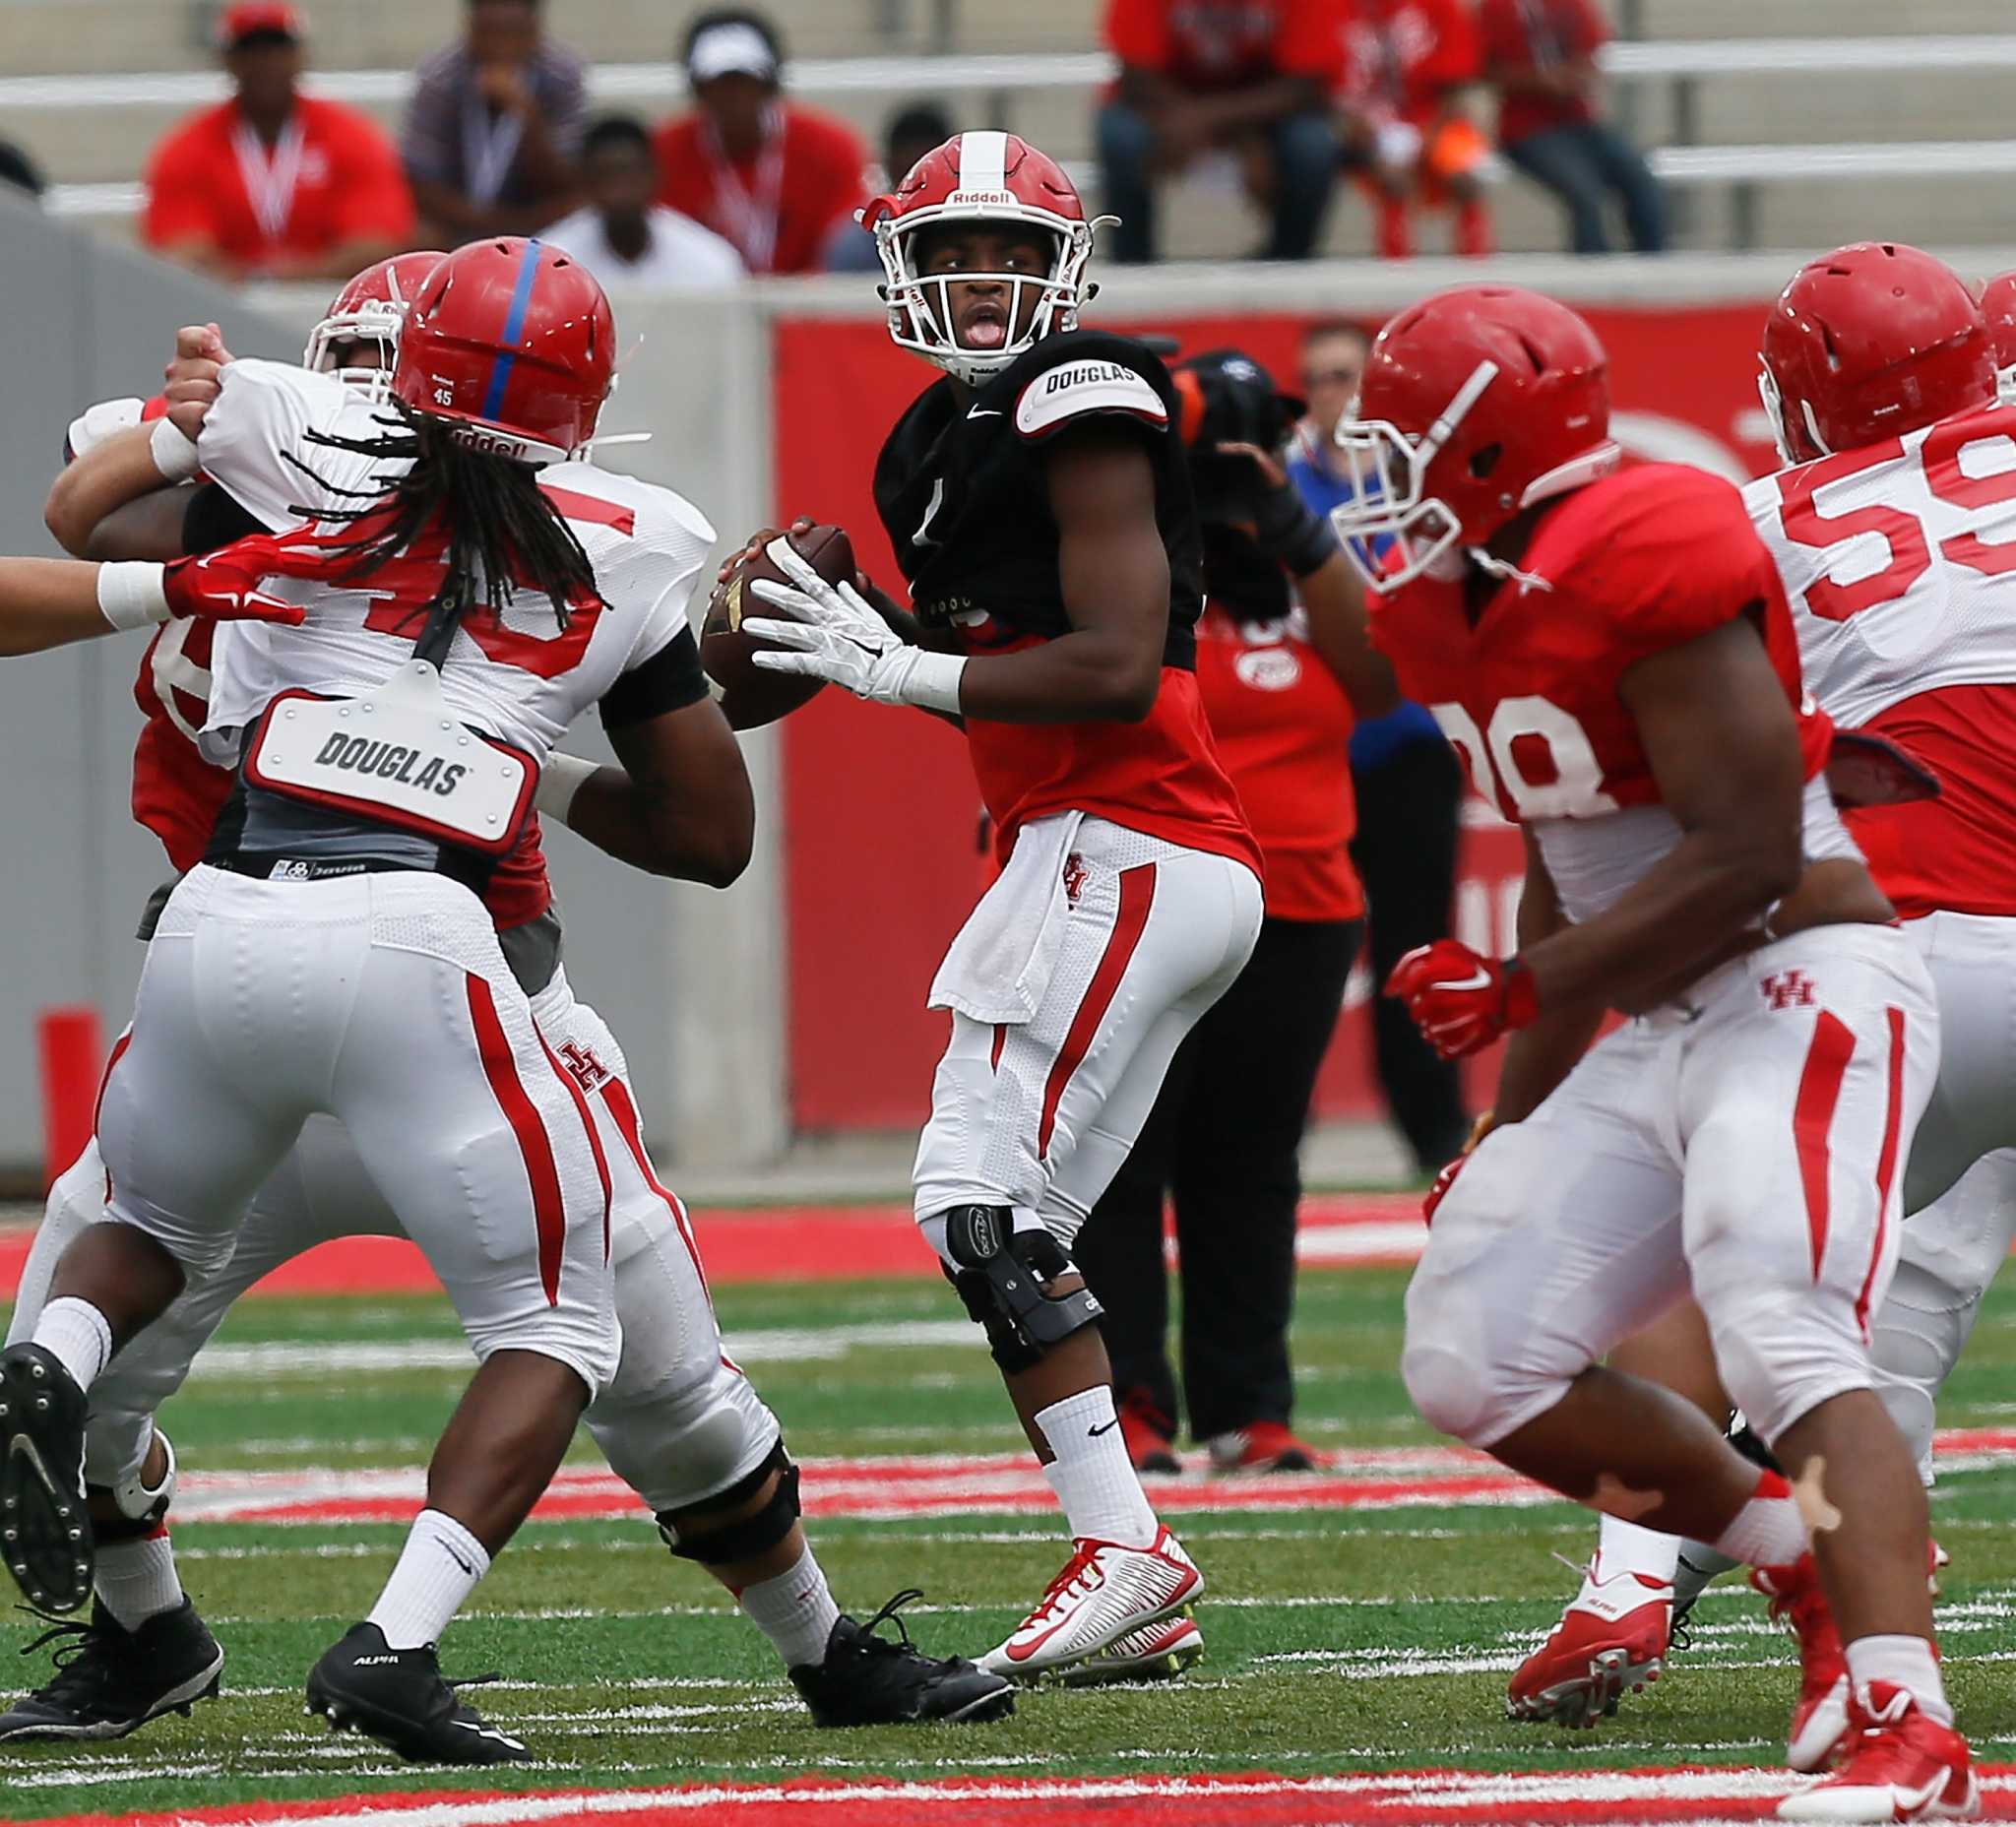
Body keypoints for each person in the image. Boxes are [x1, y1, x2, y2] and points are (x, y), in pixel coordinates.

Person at [2, 256, 1009, 1750]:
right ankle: (200, 1639)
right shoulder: (575, 525)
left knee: (94, 1323)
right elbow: (691, 802)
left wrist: (181, 439)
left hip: (239, 960)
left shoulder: (271, 460)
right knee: (601, 1348)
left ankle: (819, 1655)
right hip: (446, 977)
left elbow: (87, 516)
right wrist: (636, 689)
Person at [1335, 284, 1974, 1822]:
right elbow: (1570, 855)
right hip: (1672, 1012)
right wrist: (1510, 1109)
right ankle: (1794, 1568)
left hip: (1806, 980)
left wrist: (1523, 980)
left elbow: (1754, 847)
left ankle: (1915, 1728)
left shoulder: (1643, 544)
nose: (1381, 484)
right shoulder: (1450, 599)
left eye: (1406, 449)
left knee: (1782, 1320)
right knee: (1473, 1347)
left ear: (1490, 449)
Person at [731, 131, 1264, 1683]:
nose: (981, 281)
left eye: (1012, 255)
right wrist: (865, 636)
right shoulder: (926, 443)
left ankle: (1129, 1549)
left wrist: (889, 664)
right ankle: (1126, 1559)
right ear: (902, 263)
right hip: (1100, 844)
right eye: (953, 251)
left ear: (1066, 267)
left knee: (976, 1204)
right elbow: (1009, 688)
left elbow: (1111, 665)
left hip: (1132, 839)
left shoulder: (1085, 388)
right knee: (1008, 1225)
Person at [1506, 248, 2016, 1799]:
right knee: (1914, 1273)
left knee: (1692, 1241)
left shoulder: (1757, 525)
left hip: (1921, 950)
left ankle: (1632, 1583)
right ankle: (1847, 1631)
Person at [1074, 347, 1395, 1498]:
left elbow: (1381, 681)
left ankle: (1249, 1406)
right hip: (1144, 895)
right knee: (1119, 1161)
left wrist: (1291, 528)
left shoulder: (1299, 570)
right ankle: (1127, 1400)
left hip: (1300, 898)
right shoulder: (1116, 551)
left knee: (1251, 1161)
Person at [1287, 319, 1472, 1173]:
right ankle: (1274, 1124)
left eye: (1349, 376)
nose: (1337, 395)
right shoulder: (1280, 493)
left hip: (1405, 753)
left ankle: (1433, 1131)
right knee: (1290, 952)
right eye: (1321, 379)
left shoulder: (1419, 495)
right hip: (1309, 753)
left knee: (1414, 949)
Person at [141, 2, 412, 283]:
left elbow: (379, 243)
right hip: (224, 306)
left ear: (301, 55)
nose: (264, 62)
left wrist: (291, 277)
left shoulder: (352, 137)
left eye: (277, 47)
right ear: (227, 60)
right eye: (249, 50)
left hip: (330, 303)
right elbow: (178, 251)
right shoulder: (188, 148)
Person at [1098, 0, 1345, 264]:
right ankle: (1133, 267)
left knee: (1313, 143)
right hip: (1171, 104)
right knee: (1121, 134)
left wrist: (1219, 124)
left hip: (1263, 113)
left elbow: (1306, 85)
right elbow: (1136, 74)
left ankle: (1288, 267)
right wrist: (1219, 126)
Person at [654, 10, 868, 277]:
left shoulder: (830, 146)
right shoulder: (664, 153)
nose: (733, 96)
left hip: (808, 304)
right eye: (719, 83)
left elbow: (842, 248)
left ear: (770, 83)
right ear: (697, 89)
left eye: (745, 81)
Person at [1480, 0, 1666, 256]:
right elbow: (1485, 69)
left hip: (1579, 121)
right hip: (1526, 129)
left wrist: (1573, 76)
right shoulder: (1496, 8)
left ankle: (1652, 265)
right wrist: (1541, 81)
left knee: (1641, 180)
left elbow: (1591, 52)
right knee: (1586, 196)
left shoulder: (1568, 3)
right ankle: (1595, 277)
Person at [400, 0, 585, 246]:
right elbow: (422, 183)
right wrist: (498, 224)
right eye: (490, 32)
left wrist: (526, 114)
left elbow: (565, 179)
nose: (501, 45)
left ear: (535, 30)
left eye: (513, 31)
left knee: (580, 208)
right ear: (470, 29)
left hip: (537, 216)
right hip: (457, 219)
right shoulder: (440, 76)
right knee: (417, 234)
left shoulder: (562, 74)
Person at [1341, 0, 1493, 261]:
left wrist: (1430, 135)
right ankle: (1395, 270)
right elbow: (1332, 89)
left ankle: (1477, 271)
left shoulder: (1439, 6)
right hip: (1372, 124)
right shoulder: (1338, 8)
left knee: (1467, 172)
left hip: (1436, 119)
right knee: (1394, 177)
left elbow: (1457, 83)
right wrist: (1354, 125)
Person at [542, 115, 746, 290]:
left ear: (655, 175)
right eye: (606, 174)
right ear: (585, 181)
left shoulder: (710, 261)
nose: (620, 189)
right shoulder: (550, 264)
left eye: (630, 173)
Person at [825, 101, 955, 274]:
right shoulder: (855, 242)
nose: (915, 188)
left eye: (924, 176)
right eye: (907, 173)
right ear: (888, 163)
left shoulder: (973, 227)